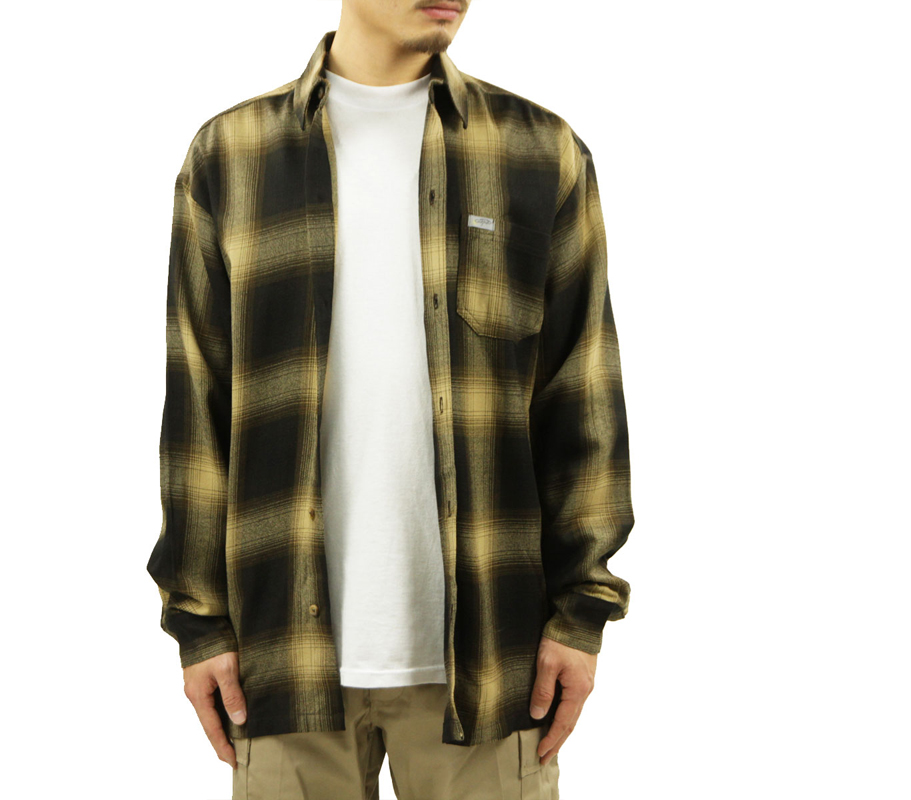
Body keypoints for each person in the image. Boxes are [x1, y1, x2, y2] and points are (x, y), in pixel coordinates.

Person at [146, 2, 635, 797]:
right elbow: (197, 406)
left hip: (492, 664)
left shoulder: (539, 152)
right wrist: (199, 625)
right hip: (281, 661)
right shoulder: (230, 156)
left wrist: (582, 616)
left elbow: (582, 399)